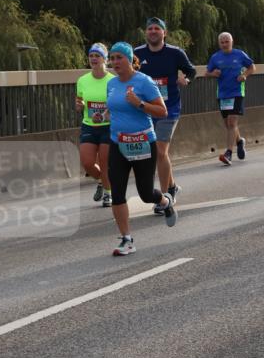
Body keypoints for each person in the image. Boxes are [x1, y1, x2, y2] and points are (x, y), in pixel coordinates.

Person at [106, 42, 177, 256]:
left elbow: (162, 111)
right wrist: (109, 116)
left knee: (146, 194)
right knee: (117, 192)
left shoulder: (143, 82)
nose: (115, 62)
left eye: (120, 57)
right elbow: (114, 107)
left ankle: (165, 201)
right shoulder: (112, 84)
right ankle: (127, 239)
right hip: (118, 143)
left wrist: (139, 104)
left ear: (130, 60)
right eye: (113, 57)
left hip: (143, 143)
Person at [134, 16, 196, 214]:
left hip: (169, 109)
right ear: (146, 33)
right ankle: (172, 186)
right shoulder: (137, 53)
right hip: (145, 109)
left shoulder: (175, 53)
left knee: (160, 151)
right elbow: (128, 73)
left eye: (157, 29)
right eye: (150, 29)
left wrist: (185, 78)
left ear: (164, 33)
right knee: (157, 152)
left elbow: (191, 70)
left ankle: (164, 196)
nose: (153, 31)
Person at [205, 33, 256, 165]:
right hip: (222, 94)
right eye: (222, 42)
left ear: (232, 42)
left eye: (227, 41)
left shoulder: (239, 54)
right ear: (219, 43)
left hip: (237, 92)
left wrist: (244, 75)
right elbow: (206, 73)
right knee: (228, 125)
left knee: (232, 123)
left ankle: (228, 153)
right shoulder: (215, 57)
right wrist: (213, 74)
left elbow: (252, 67)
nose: (224, 44)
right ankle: (239, 141)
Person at [75, 43, 113, 207]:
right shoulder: (82, 80)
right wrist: (79, 105)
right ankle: (101, 181)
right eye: (91, 56)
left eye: (97, 56)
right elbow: (79, 100)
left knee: (105, 163)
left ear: (105, 59)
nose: (93, 59)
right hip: (89, 125)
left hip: (108, 126)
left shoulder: (113, 80)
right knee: (88, 163)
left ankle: (108, 193)